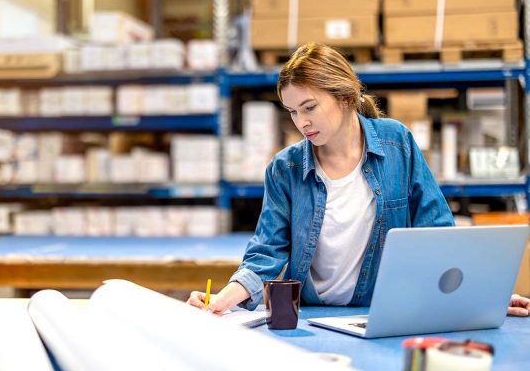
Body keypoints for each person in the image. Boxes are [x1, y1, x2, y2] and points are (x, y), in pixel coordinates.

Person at [187, 42, 530, 317]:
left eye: (309, 107)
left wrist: (482, 295)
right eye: (291, 111)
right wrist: (221, 299)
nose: (301, 122)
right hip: (312, 319)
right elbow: (266, 252)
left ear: (346, 97)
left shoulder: (397, 144)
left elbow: (437, 230)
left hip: (384, 313)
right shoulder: (284, 169)